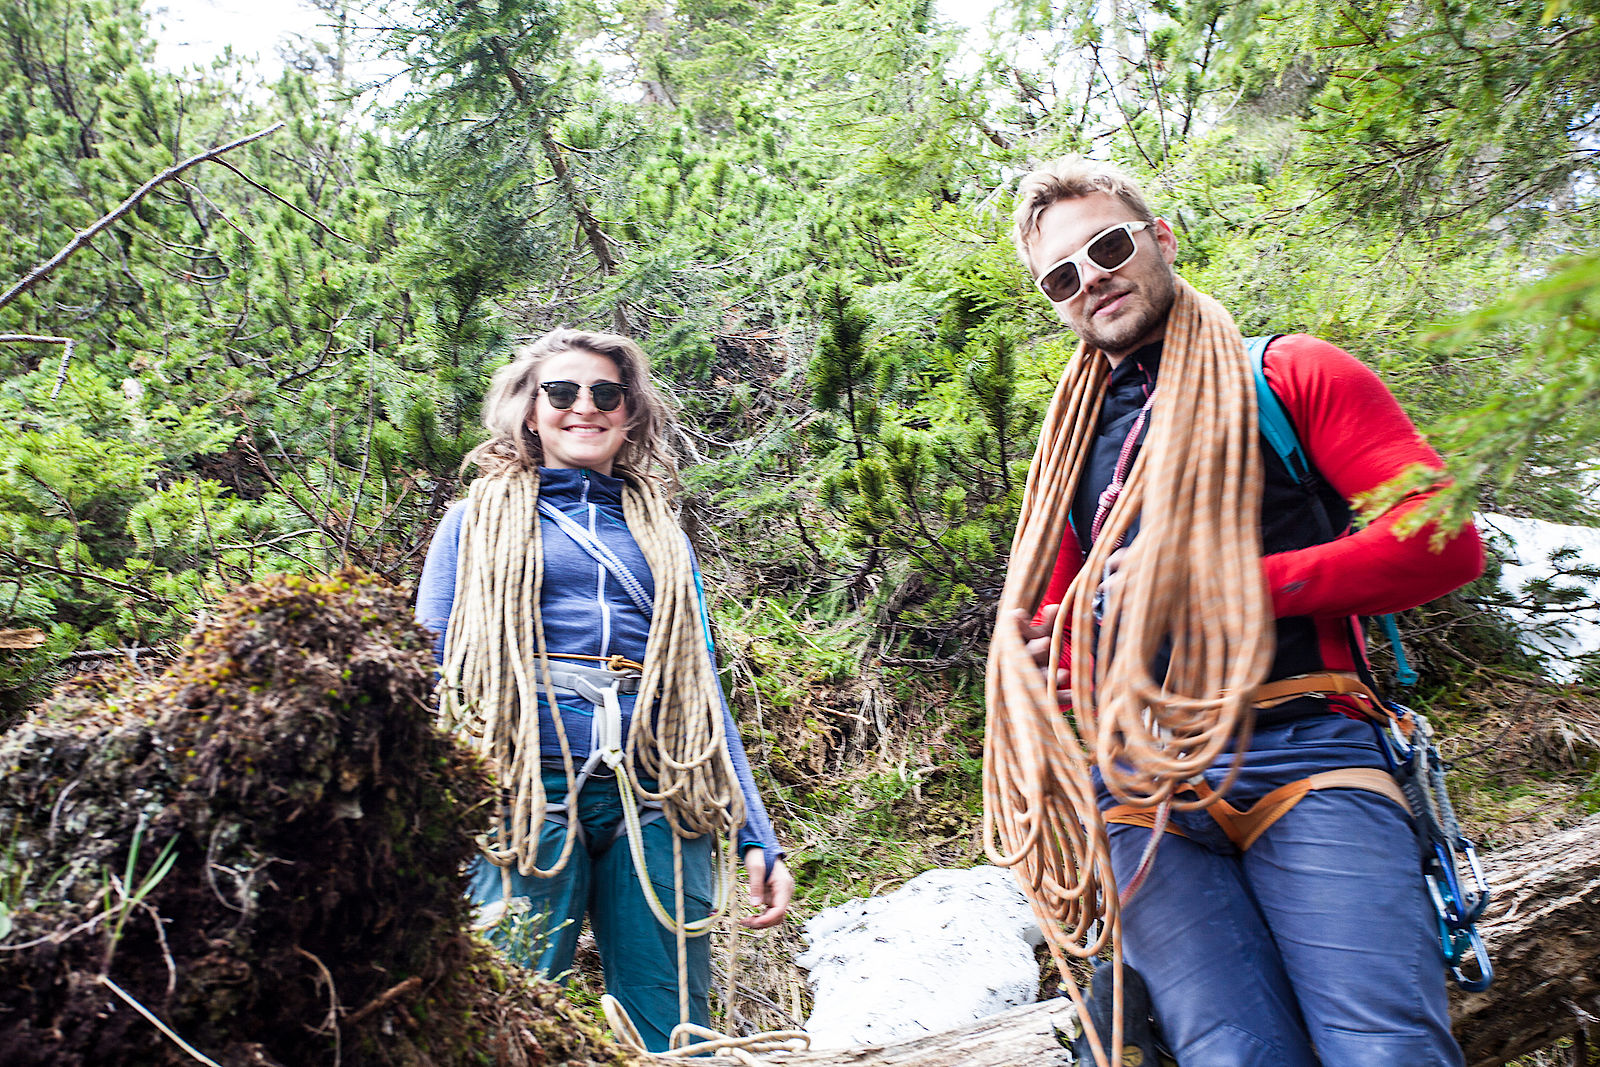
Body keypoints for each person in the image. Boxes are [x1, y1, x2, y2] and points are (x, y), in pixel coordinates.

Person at [1001, 157, 1483, 1065]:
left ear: (1160, 239)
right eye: (1062, 275)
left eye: (1108, 247)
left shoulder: (1290, 373)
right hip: (1142, 792)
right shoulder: (1065, 454)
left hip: (1311, 746)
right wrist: (1046, 656)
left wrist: (1231, 585)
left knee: (1385, 1051)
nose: (1091, 278)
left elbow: (1446, 541)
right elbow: (1069, 625)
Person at [416, 328, 794, 1053]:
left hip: (658, 790)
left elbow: (701, 684)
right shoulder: (471, 522)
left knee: (674, 1018)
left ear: (629, 414)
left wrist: (755, 832)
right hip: (522, 790)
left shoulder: (662, 534)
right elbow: (434, 667)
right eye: (561, 392)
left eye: (605, 394)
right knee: (507, 1010)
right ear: (530, 410)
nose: (583, 406)